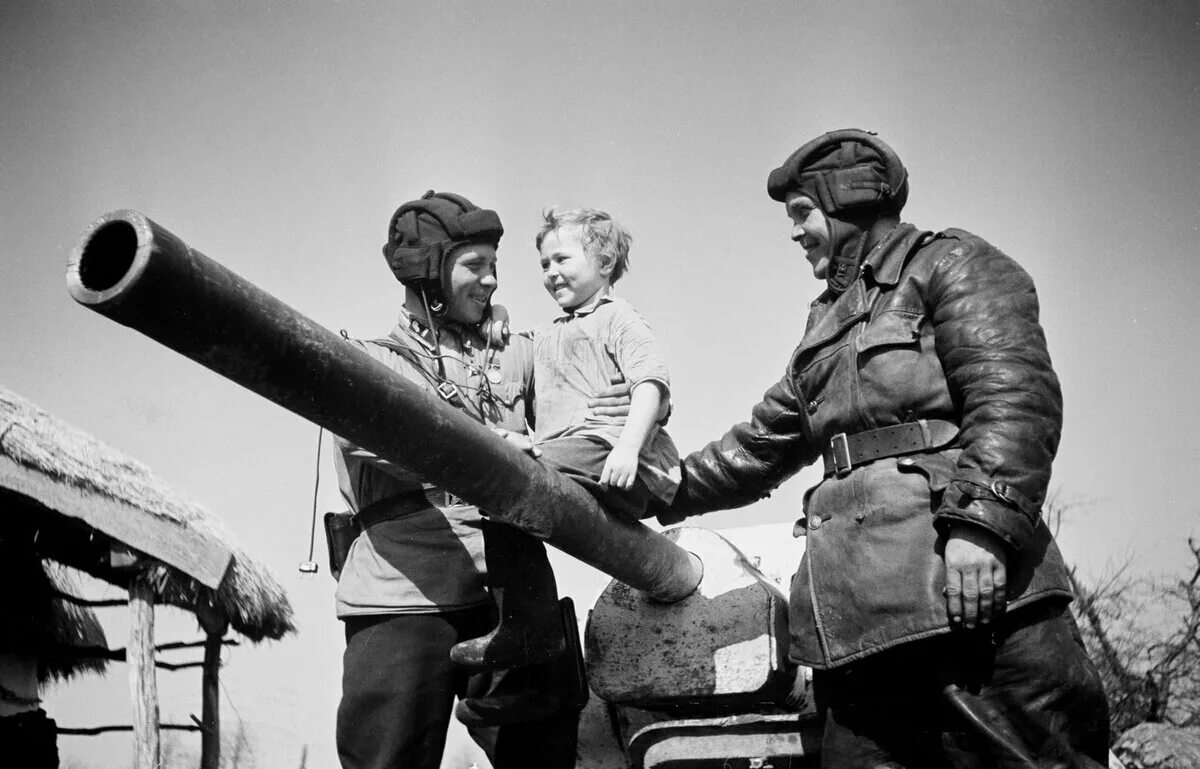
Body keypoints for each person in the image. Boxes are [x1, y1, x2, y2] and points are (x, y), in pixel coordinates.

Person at [656, 130, 1110, 767]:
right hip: (858, 636)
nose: (796, 233)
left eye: (802, 214)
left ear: (844, 204)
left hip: (970, 604)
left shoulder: (950, 264)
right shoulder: (824, 323)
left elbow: (1015, 398)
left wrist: (982, 527)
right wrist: (658, 486)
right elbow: (761, 444)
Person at [332, 191, 577, 769]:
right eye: (474, 266)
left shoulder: (517, 355)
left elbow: (583, 403)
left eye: (495, 266)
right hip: (405, 596)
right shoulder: (371, 364)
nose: (492, 281)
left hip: (515, 589)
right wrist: (496, 447)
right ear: (428, 276)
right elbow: (383, 440)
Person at [529, 207, 680, 522]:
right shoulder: (546, 333)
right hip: (574, 460)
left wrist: (627, 448)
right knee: (530, 462)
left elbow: (649, 383)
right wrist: (498, 314)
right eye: (545, 264)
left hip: (613, 453)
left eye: (561, 259)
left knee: (519, 461)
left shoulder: (618, 317)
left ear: (605, 263)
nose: (551, 272)